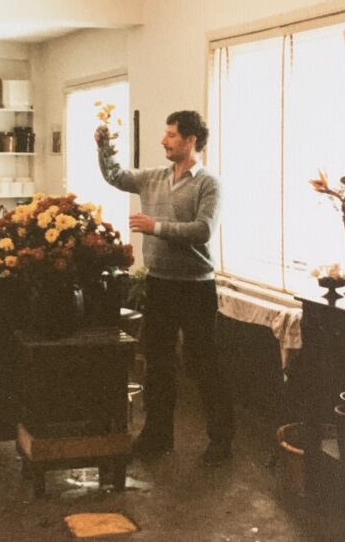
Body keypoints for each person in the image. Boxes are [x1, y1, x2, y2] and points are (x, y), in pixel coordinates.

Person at [95, 110, 234, 466]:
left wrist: (156, 227)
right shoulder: (153, 177)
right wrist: (104, 146)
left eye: (171, 135)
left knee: (204, 364)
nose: (164, 140)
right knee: (157, 365)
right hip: (159, 284)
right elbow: (114, 175)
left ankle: (222, 441)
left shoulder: (208, 183)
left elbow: (202, 230)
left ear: (191, 140)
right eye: (165, 133)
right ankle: (158, 436)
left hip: (195, 288)